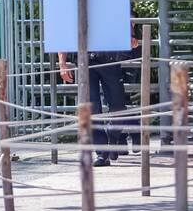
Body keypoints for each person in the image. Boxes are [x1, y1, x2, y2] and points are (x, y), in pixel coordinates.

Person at [59, 40, 139, 168]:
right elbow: (65, 32)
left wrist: (129, 37)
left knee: (118, 107)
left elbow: (122, 24)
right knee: (92, 108)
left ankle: (111, 137)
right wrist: (62, 63)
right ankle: (102, 153)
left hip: (110, 57)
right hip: (84, 60)